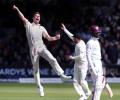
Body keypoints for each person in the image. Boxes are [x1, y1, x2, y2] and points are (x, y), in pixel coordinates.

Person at [12, 5, 71, 97]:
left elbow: (49, 38)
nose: (38, 17)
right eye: (36, 16)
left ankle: (61, 75)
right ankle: (40, 87)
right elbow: (22, 17)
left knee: (53, 59)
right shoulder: (28, 25)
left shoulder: (42, 28)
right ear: (33, 18)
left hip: (42, 48)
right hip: (33, 50)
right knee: (36, 70)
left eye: (39, 16)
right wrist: (17, 9)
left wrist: (55, 37)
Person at [61, 23, 91, 100]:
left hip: (83, 65)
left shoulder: (81, 45)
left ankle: (88, 92)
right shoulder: (77, 41)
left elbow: (81, 57)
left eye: (74, 38)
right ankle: (82, 95)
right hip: (77, 64)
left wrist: (71, 57)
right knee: (75, 82)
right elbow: (71, 36)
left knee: (81, 81)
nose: (73, 39)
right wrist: (65, 30)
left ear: (78, 38)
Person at [86, 25, 105, 100]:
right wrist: (92, 68)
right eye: (97, 32)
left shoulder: (96, 41)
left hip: (98, 63)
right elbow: (88, 56)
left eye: (98, 32)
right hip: (94, 64)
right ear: (92, 33)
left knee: (97, 85)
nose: (98, 34)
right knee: (98, 86)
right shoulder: (89, 43)